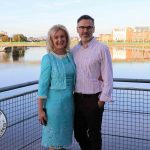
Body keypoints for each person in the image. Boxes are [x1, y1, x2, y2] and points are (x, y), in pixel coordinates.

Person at [71, 15, 113, 150]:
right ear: (77, 29)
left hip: (94, 98)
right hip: (76, 98)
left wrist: (101, 101)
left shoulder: (102, 48)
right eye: (82, 27)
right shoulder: (73, 50)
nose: (85, 30)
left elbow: (108, 77)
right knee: (78, 133)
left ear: (94, 29)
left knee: (94, 134)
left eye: (89, 27)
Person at [38, 24, 76, 150]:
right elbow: (42, 86)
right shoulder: (47, 59)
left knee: (63, 140)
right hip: (54, 106)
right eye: (56, 37)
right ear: (51, 40)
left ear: (66, 38)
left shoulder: (70, 56)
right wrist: (40, 110)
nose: (60, 40)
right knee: (54, 142)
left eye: (62, 36)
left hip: (69, 105)